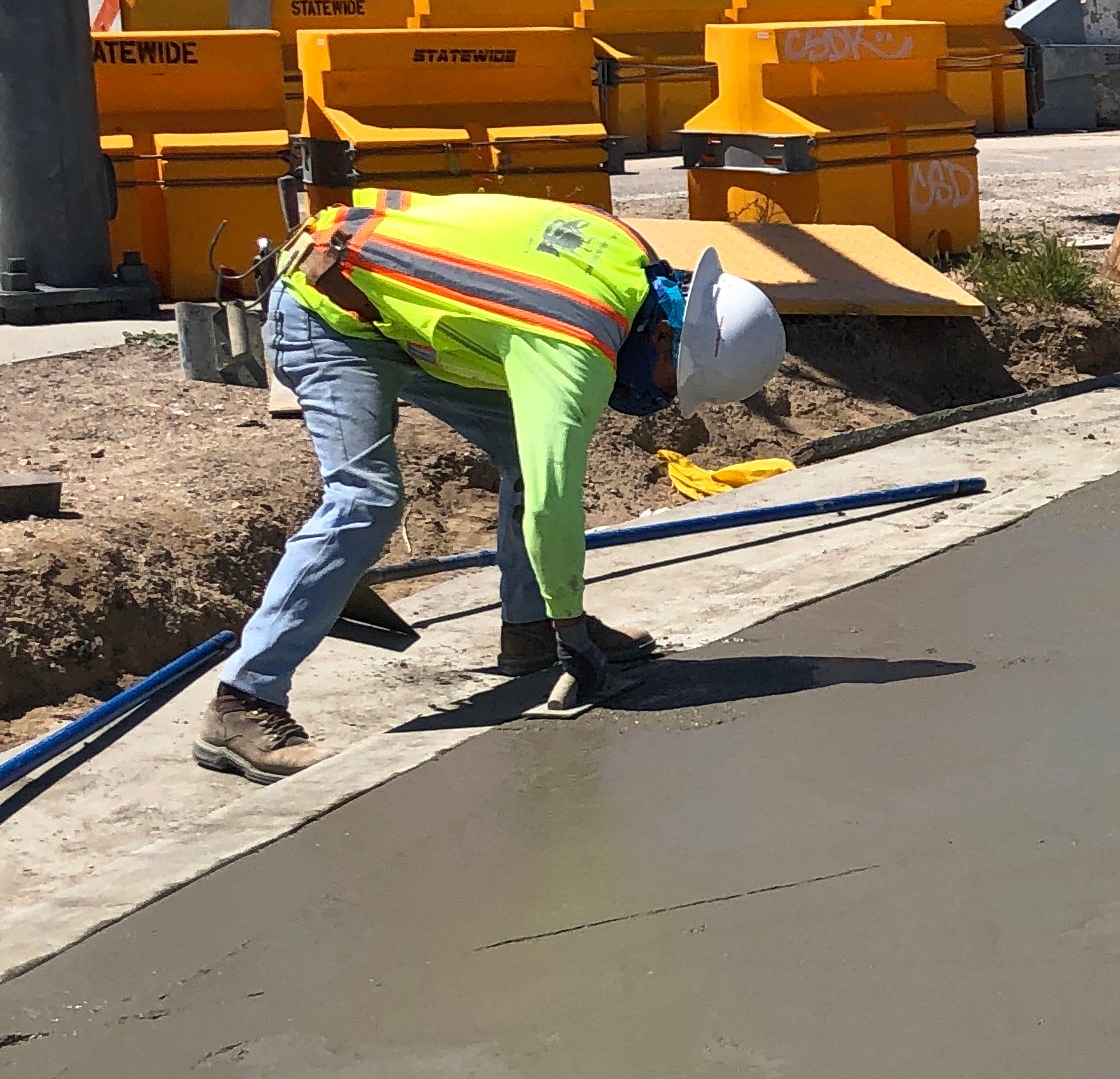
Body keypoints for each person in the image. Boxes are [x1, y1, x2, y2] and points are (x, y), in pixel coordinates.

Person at [195, 191, 786, 785]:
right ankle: (243, 702)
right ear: (663, 340)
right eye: (672, 381)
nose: (661, 398)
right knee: (366, 498)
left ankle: (531, 631)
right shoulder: (574, 347)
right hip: (329, 311)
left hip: (400, 311)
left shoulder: (631, 259)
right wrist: (576, 630)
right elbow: (555, 501)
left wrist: (559, 621)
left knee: (523, 458)